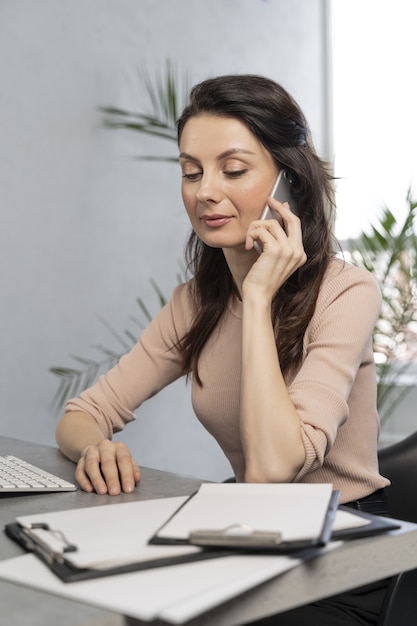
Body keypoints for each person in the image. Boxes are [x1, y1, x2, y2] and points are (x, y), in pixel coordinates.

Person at [56, 74, 391, 625]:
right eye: (191, 172)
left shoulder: (346, 291)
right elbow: (81, 414)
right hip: (245, 528)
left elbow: (271, 470)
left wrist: (259, 297)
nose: (205, 190)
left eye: (232, 170)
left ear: (290, 183)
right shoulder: (195, 303)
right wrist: (94, 445)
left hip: (342, 547)